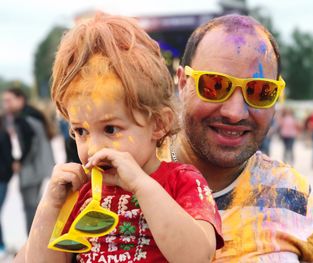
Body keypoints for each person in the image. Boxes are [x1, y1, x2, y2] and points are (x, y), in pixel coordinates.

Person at [14, 12, 223, 263]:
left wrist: (139, 183)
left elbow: (197, 256)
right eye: (80, 131)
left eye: (111, 129)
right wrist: (50, 205)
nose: (93, 148)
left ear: (158, 124)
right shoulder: (80, 194)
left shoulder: (183, 182)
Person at [160, 14, 313, 262]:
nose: (235, 113)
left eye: (260, 92)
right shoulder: (125, 180)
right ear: (182, 82)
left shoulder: (295, 198)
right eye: (215, 85)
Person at [2, 87, 55, 234]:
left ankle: (32, 246)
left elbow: (30, 144)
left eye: (9, 100)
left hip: (30, 170)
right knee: (35, 207)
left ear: (20, 99)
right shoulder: (34, 114)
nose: (6, 104)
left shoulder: (24, 118)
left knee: (30, 208)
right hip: (39, 168)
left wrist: (19, 161)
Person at [0, 118, 14, 259]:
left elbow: (8, 158)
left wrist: (7, 176)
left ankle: (2, 245)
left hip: (2, 179)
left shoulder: (3, 134)